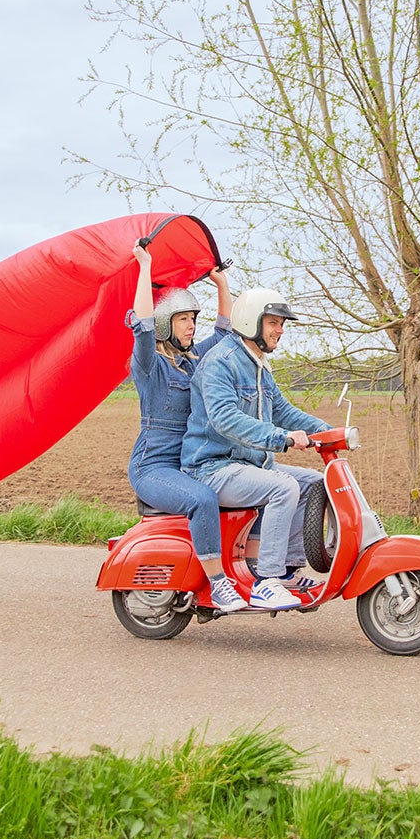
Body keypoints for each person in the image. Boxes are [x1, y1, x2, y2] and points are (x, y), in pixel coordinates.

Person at [181, 288, 327, 611]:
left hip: (248, 465)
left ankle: (287, 570)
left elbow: (284, 411)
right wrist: (282, 439)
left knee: (313, 484)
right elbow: (225, 419)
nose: (280, 330)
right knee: (283, 487)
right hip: (212, 468)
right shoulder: (221, 362)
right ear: (251, 322)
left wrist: (326, 430)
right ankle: (266, 581)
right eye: (274, 323)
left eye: (281, 324)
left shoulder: (258, 364)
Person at [126, 240, 246, 612]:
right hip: (154, 468)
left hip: (187, 464)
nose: (193, 325)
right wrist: (145, 266)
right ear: (166, 323)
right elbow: (142, 328)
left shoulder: (194, 362)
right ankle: (219, 583)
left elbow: (226, 335)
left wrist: (221, 285)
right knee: (202, 499)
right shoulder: (150, 367)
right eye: (184, 318)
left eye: (194, 318)